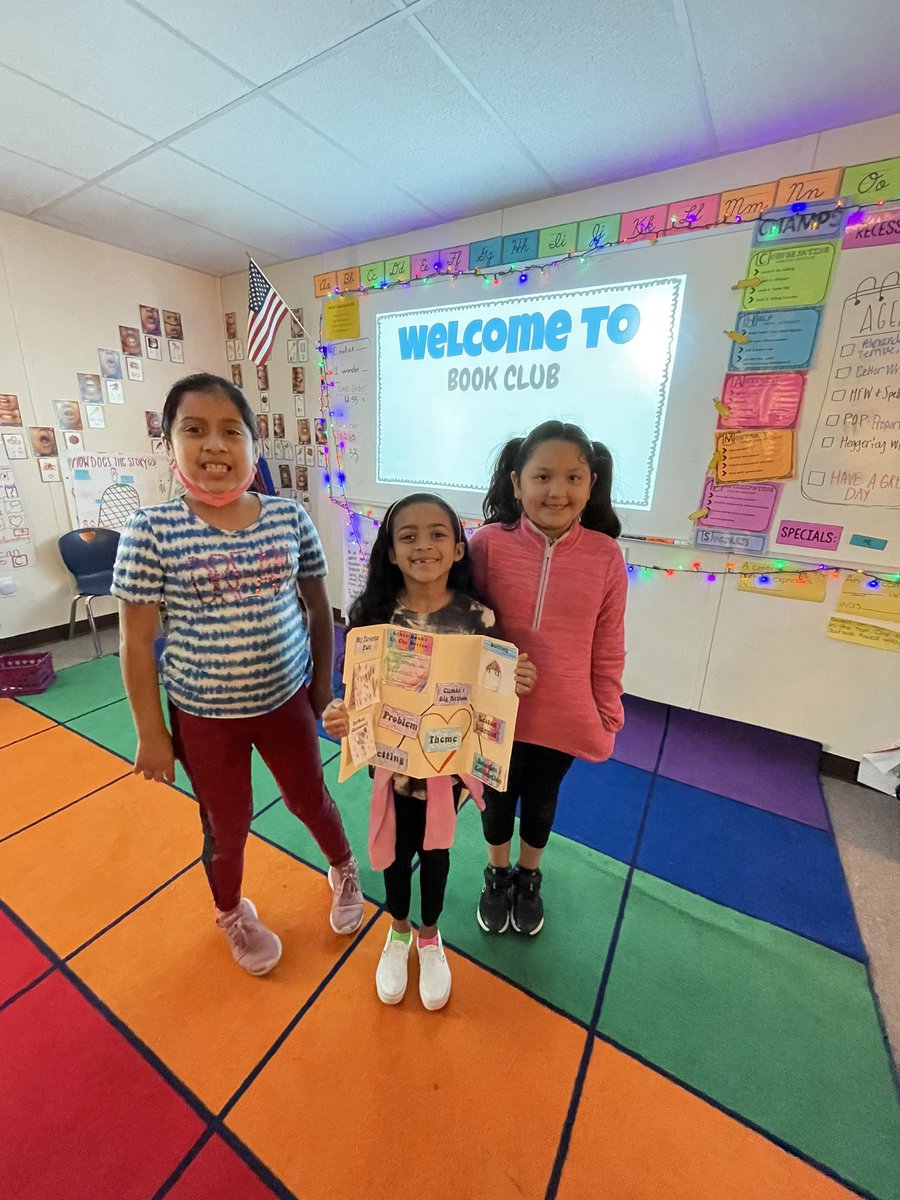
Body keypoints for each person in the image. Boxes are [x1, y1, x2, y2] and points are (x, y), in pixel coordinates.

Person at [112, 372, 364, 977]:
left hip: (287, 703)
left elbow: (317, 608)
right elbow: (136, 641)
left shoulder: (289, 518)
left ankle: (345, 867)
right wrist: (151, 733)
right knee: (227, 825)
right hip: (203, 717)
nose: (215, 446)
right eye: (193, 430)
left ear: (254, 444)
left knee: (311, 799)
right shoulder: (151, 531)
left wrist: (323, 687)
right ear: (169, 445)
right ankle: (230, 910)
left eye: (232, 431)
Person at [322, 494, 536, 1010]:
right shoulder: (373, 615)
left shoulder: (478, 618)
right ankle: (397, 932)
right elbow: (351, 692)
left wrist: (517, 679)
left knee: (435, 853)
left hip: (447, 771)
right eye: (409, 535)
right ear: (391, 552)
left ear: (459, 548)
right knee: (394, 855)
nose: (424, 545)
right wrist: (340, 714)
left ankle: (429, 935)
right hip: (390, 769)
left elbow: (490, 691)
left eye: (438, 534)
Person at [468, 421, 627, 937]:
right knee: (495, 798)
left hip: (563, 713)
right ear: (517, 483)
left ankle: (528, 876)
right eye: (542, 477)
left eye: (574, 478)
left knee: (540, 800)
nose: (557, 491)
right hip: (499, 709)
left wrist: (608, 709)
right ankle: (496, 873)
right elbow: (461, 624)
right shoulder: (487, 545)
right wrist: (494, 666)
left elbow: (608, 645)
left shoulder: (605, 556)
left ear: (591, 484)